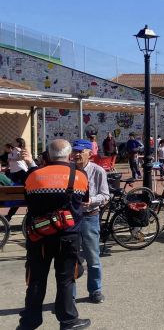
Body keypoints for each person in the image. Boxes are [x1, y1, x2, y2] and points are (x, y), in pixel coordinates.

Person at [19, 139, 92, 330]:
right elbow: (84, 200)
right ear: (69, 156)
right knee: (66, 279)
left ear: (48, 156)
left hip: (39, 236)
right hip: (68, 236)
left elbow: (28, 199)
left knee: (36, 279)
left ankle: (29, 322)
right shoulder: (79, 175)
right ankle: (68, 321)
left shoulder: (33, 175)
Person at [72, 139, 110, 305]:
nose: (77, 154)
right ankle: (69, 295)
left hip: (89, 216)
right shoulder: (69, 170)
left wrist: (92, 200)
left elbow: (105, 195)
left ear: (89, 153)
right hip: (71, 218)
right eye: (75, 151)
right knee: (70, 258)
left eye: (81, 151)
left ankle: (95, 290)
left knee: (92, 256)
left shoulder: (98, 171)